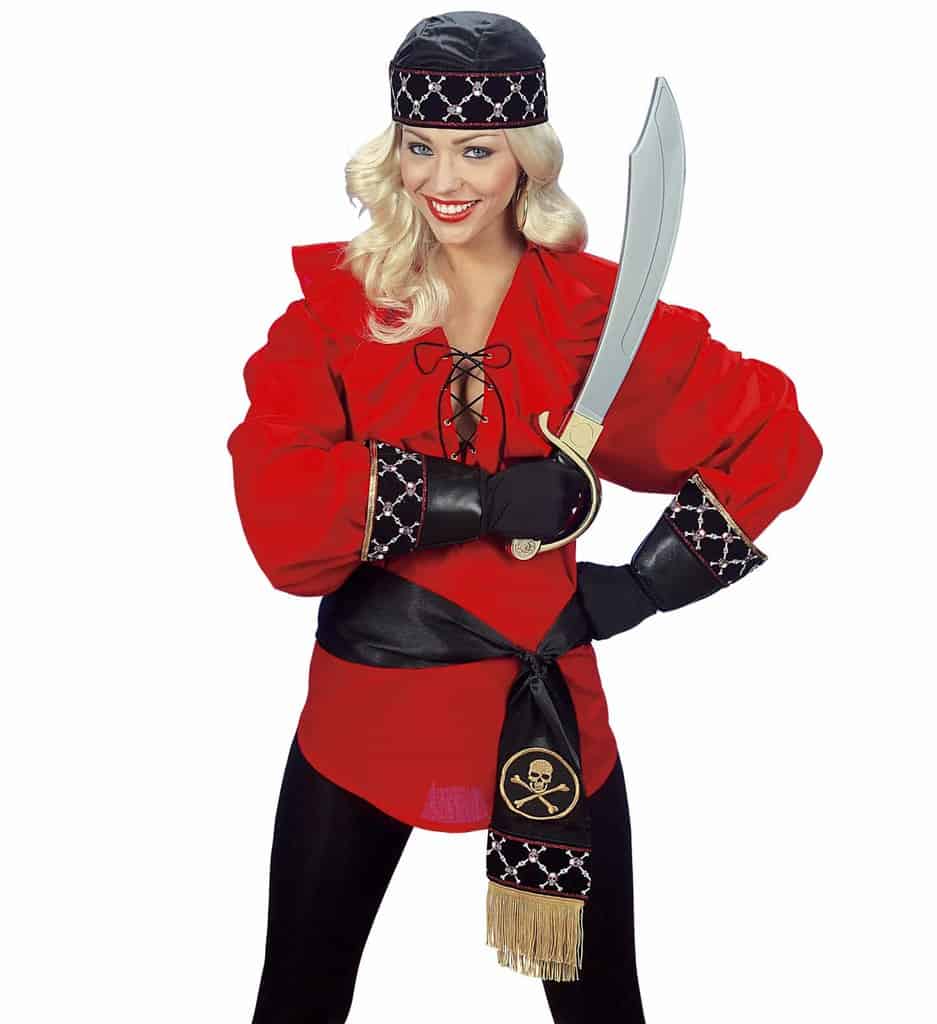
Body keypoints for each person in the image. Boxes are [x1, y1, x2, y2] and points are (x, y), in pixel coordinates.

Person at [225, 10, 823, 1023]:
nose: (443, 179)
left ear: (525, 160)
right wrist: (481, 498)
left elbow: (772, 436)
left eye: (477, 150)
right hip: (367, 710)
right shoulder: (338, 310)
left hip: (541, 716)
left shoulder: (592, 316)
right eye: (419, 146)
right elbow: (277, 507)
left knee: (601, 1010)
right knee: (297, 1001)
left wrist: (649, 583)